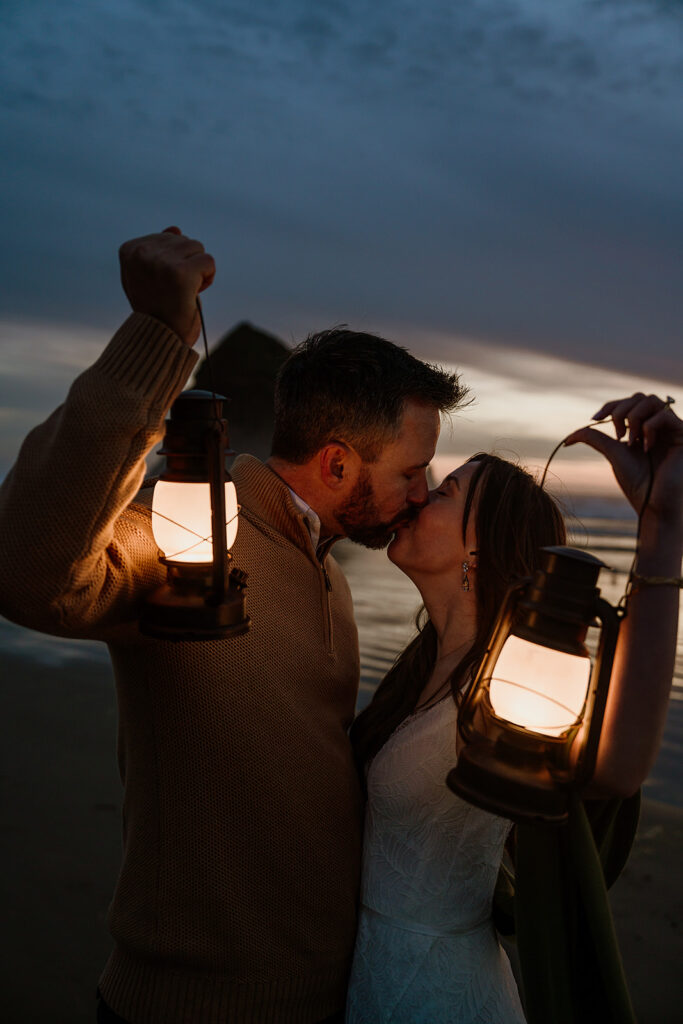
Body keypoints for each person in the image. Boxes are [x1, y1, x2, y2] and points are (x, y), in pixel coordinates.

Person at [0, 228, 468, 1024]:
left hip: (317, 998)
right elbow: (27, 571)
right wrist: (154, 338)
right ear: (335, 465)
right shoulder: (193, 542)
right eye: (409, 472)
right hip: (188, 1005)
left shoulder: (326, 572)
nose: (423, 492)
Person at [345, 394, 683, 1024]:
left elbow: (617, 767)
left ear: (480, 547)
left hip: (439, 997)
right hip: (368, 976)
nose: (419, 498)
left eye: (444, 493)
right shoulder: (420, 669)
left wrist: (662, 531)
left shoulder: (514, 694)